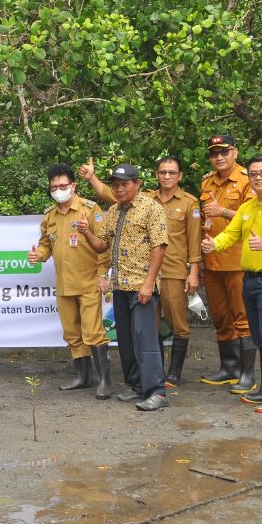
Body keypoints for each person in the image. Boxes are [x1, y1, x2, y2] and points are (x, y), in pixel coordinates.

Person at [80, 155, 202, 387]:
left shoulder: (181, 203)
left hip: (170, 271)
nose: (166, 176)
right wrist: (92, 179)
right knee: (141, 334)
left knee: (177, 324)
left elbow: (190, 242)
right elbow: (109, 197)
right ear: (156, 175)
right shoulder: (124, 206)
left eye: (171, 172)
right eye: (162, 172)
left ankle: (168, 377)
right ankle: (144, 382)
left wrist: (193, 270)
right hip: (126, 282)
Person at [202, 155, 262, 414]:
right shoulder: (248, 207)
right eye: (254, 173)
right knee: (259, 336)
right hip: (251, 278)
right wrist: (213, 245)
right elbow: (231, 234)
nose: (258, 178)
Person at [77, 163, 170, 411]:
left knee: (146, 341)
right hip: (119, 287)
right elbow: (101, 246)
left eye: (124, 184)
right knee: (127, 342)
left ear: (137, 184)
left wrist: (149, 284)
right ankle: (137, 387)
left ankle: (157, 393)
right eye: (115, 185)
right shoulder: (114, 211)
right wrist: (86, 233)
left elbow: (159, 247)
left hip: (142, 287)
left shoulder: (151, 208)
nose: (118, 189)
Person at [27, 164, 112, 399]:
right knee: (72, 333)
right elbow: (46, 243)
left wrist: (103, 275)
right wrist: (39, 255)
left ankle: (105, 380)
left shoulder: (90, 210)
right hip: (64, 283)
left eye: (62, 186)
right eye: (53, 187)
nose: (58, 190)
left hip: (88, 282)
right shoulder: (49, 216)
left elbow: (104, 246)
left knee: (93, 333)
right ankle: (84, 377)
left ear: (73, 186)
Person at [199, 134, 258, 393]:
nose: (219, 157)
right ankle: (229, 368)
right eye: (214, 153)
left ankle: (247, 374)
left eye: (224, 152)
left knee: (242, 318)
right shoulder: (207, 183)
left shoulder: (247, 180)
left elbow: (254, 218)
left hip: (237, 261)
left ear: (235, 152)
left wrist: (222, 211)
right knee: (221, 317)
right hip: (211, 261)